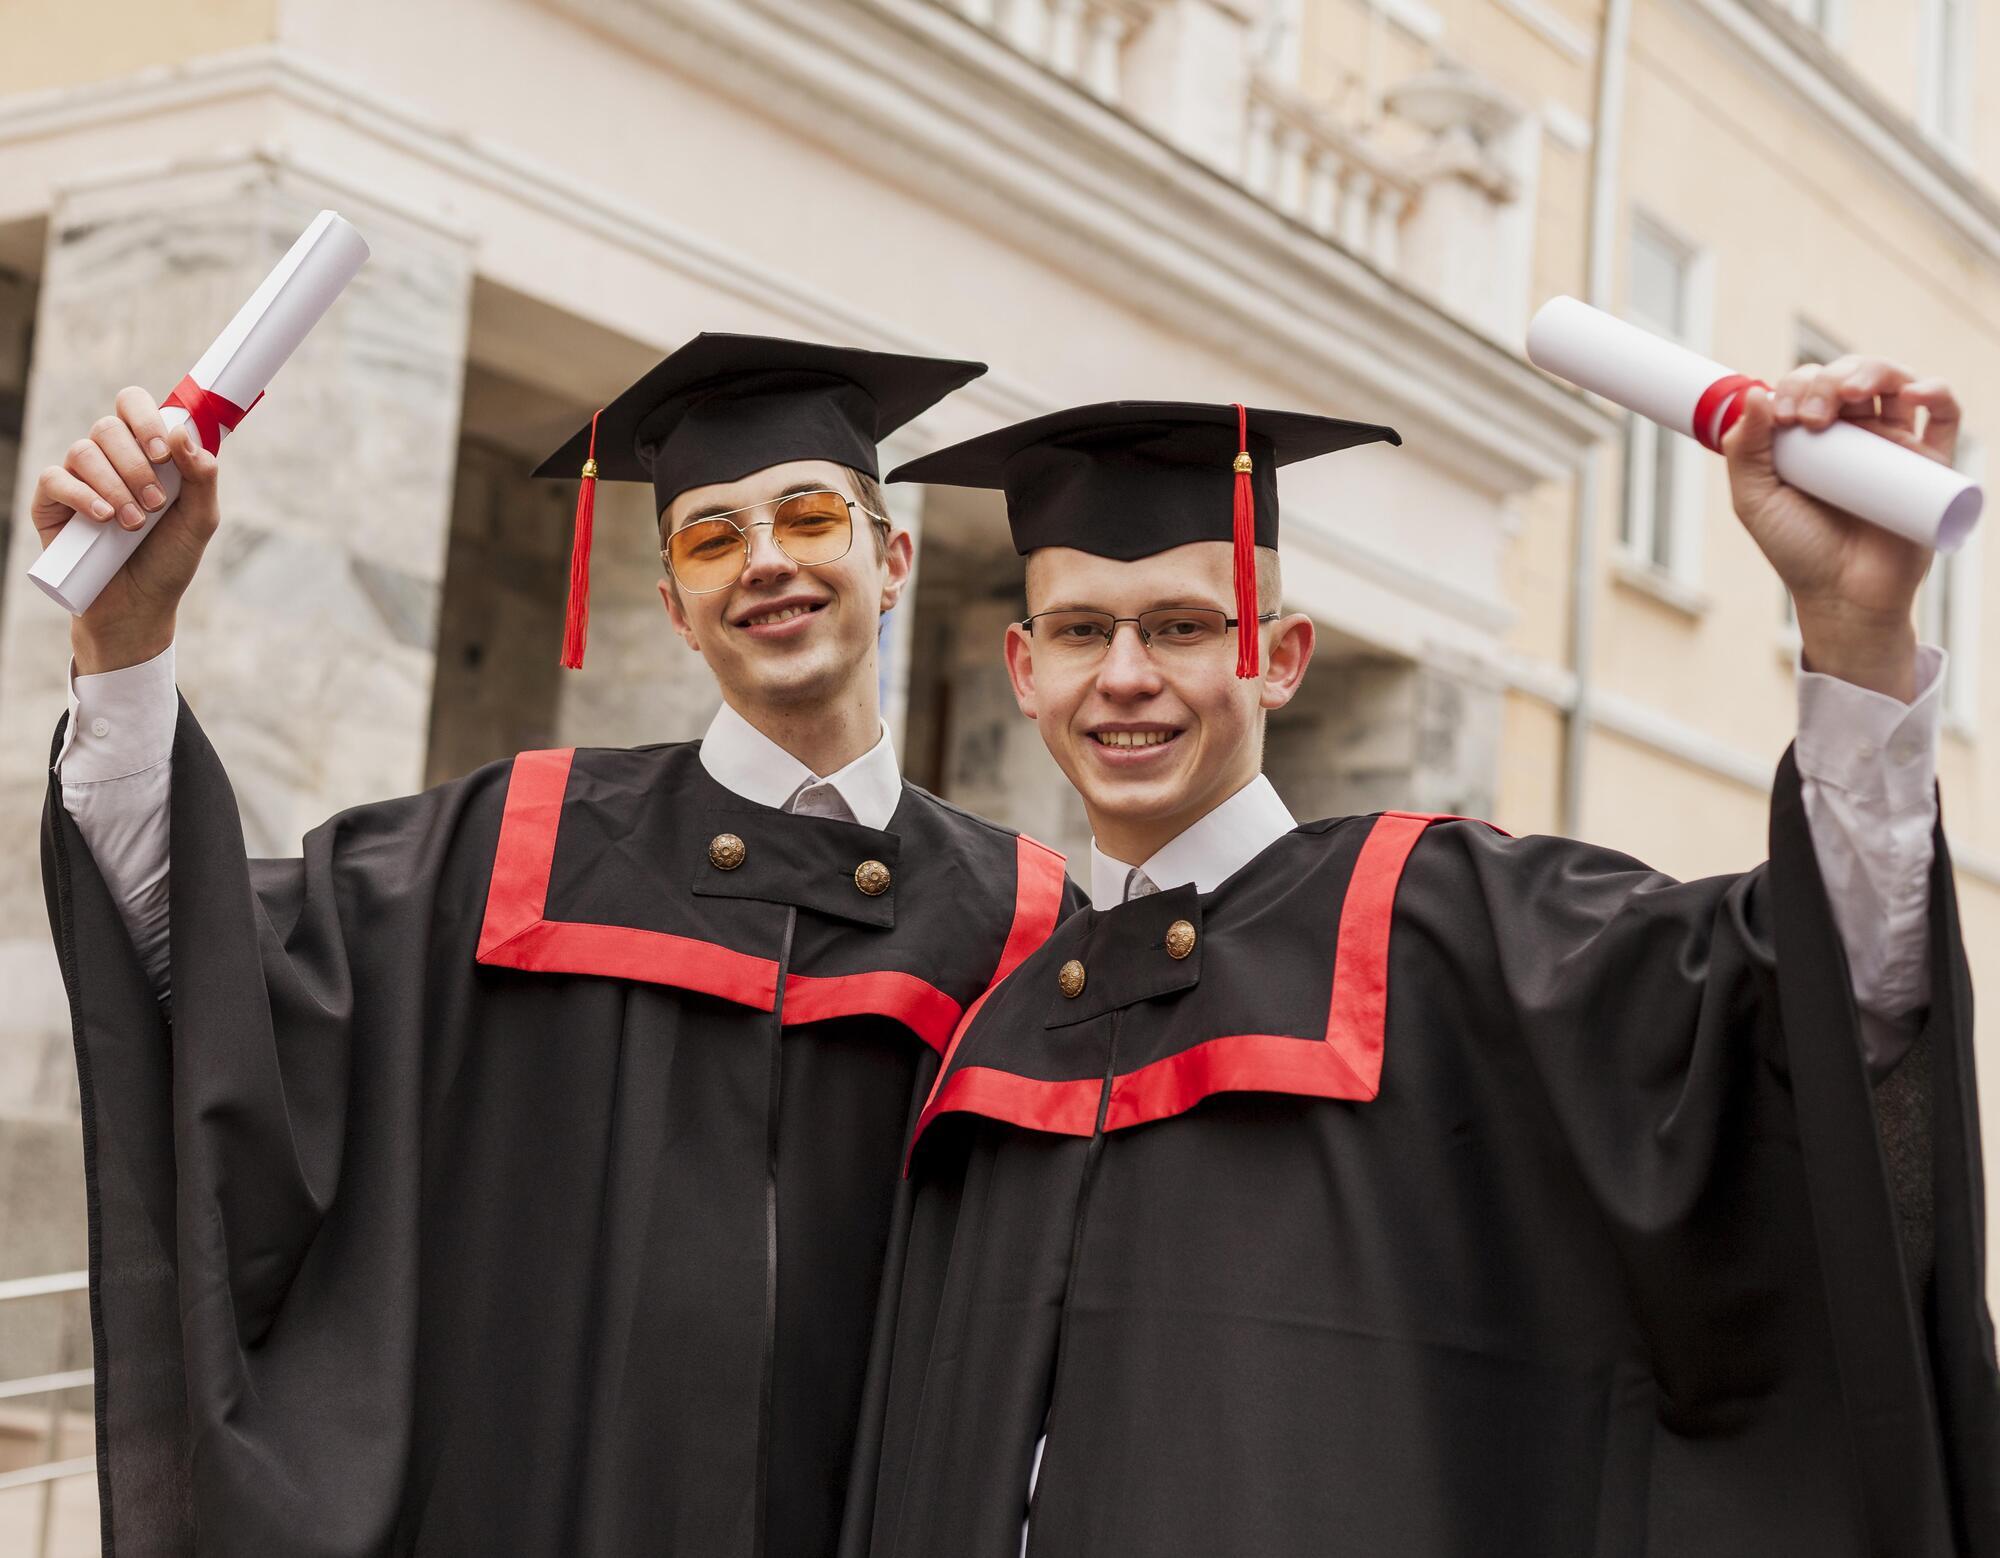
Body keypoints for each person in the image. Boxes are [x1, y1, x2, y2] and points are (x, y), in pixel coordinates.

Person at [846, 368, 1997, 1557]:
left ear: (1280, 656)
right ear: (1024, 669)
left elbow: (1818, 999)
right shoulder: (1002, 1027)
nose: (1125, 675)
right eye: (1082, 630)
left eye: (1184, 627)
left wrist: (1853, 636)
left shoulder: (1438, 922)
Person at [35, 333, 1082, 1557]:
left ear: (890, 559)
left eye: (807, 517)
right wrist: (128, 635)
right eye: (709, 536)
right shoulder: (515, 849)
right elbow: (196, 954)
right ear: (674, 610)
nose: (765, 564)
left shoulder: (1021, 920)